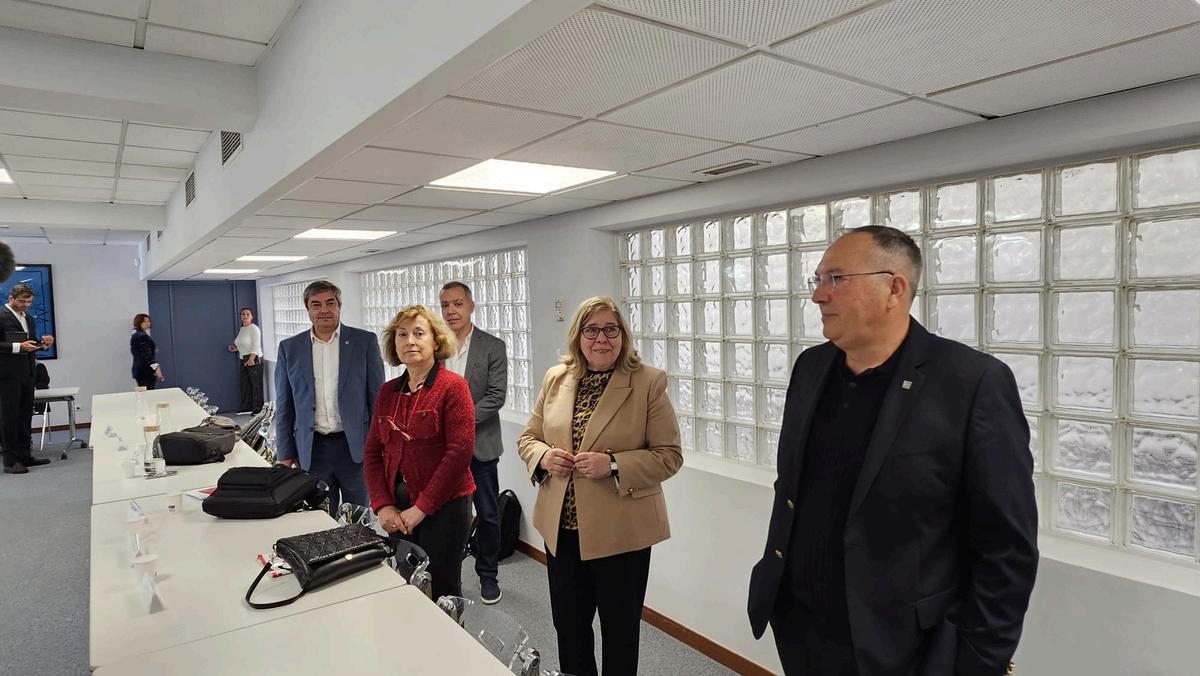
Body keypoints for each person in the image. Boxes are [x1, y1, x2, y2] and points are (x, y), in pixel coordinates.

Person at [747, 226, 1038, 675]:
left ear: (894, 289)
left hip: (904, 645)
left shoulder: (970, 382)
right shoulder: (811, 368)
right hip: (801, 626)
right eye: (817, 280)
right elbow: (793, 488)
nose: (818, 295)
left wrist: (977, 659)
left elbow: (1006, 544)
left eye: (836, 278)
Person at [517, 296, 682, 676]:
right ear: (578, 336)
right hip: (562, 531)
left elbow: (669, 455)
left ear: (623, 335)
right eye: (591, 330)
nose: (602, 338)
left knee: (619, 633)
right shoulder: (556, 378)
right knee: (569, 629)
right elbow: (528, 438)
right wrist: (544, 456)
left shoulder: (648, 382)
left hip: (621, 534)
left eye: (611, 329)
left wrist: (613, 464)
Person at [364, 304, 476, 600]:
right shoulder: (388, 392)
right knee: (405, 583)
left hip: (445, 508)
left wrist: (422, 508)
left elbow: (459, 454)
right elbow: (373, 453)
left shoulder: (453, 387)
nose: (409, 341)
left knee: (442, 589)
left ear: (436, 342)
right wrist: (382, 505)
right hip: (398, 508)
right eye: (402, 335)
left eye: (418, 333)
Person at [275, 280, 384, 512]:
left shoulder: (364, 342)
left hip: (355, 448)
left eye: (330, 303)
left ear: (339, 305)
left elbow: (377, 400)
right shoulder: (289, 348)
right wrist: (285, 452)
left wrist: (381, 446)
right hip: (312, 449)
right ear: (308, 309)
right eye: (316, 304)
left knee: (359, 516)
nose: (324, 309)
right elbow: (285, 406)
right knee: (319, 517)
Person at [439, 281, 508, 605]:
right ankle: (448, 576)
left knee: (489, 514)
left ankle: (488, 576)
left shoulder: (492, 346)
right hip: (442, 449)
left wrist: (459, 420)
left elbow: (496, 396)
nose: (451, 311)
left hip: (481, 447)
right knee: (447, 516)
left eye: (457, 303)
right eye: (445, 305)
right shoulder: (434, 347)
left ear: (471, 306)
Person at [1, 284, 55, 474]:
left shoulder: (29, 318)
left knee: (25, 416)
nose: (26, 305)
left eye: (29, 302)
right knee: (9, 417)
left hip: (27, 373)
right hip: (7, 375)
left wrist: (44, 344)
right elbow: (16, 345)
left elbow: (29, 344)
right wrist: (17, 347)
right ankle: (10, 461)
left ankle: (25, 456)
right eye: (22, 301)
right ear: (11, 298)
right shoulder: (1, 316)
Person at [228, 307, 264, 414]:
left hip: (253, 359)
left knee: (256, 385)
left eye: (248, 314)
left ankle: (258, 408)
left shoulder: (254, 329)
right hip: (243, 359)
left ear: (251, 317)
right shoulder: (242, 329)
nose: (245, 316)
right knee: (245, 384)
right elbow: (245, 343)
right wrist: (236, 349)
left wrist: (251, 358)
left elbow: (256, 345)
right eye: (243, 314)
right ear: (240, 316)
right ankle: (246, 407)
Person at [129, 313, 162, 390]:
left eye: (149, 321)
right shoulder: (142, 336)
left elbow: (136, 351)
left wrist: (152, 348)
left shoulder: (136, 335)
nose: (148, 323)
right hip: (145, 371)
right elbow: (147, 356)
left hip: (140, 370)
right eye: (144, 321)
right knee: (148, 392)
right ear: (139, 322)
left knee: (144, 392)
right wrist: (156, 368)